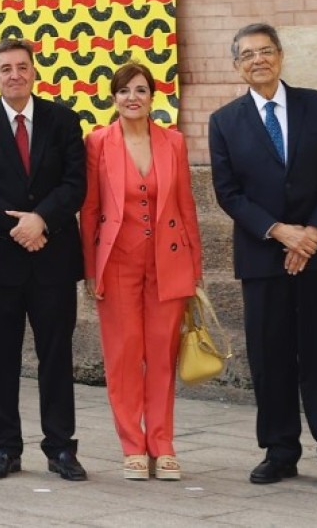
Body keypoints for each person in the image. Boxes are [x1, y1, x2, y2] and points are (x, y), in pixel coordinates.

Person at [207, 23, 317, 489]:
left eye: (266, 51)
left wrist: (312, 233)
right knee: (269, 356)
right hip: (263, 256)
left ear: (281, 56)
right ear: (237, 66)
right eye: (248, 54)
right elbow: (228, 193)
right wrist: (280, 233)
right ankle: (279, 451)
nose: (259, 60)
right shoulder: (224, 121)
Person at [0, 38, 87, 482]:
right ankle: (4, 448)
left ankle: (61, 449)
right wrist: (17, 228)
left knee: (55, 356)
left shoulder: (64, 121)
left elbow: (75, 183)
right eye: (5, 68)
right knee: (0, 358)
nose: (15, 74)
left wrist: (41, 221)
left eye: (22, 67)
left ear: (34, 72)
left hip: (52, 258)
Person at [79, 62, 203, 481]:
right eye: (124, 91)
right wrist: (89, 271)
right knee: (124, 357)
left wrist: (194, 269)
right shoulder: (97, 143)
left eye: (141, 90)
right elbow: (90, 211)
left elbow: (186, 207)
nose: (133, 98)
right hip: (116, 264)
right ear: (113, 98)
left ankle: (163, 445)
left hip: (168, 262)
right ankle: (133, 446)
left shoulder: (174, 142)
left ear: (153, 96)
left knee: (163, 357)